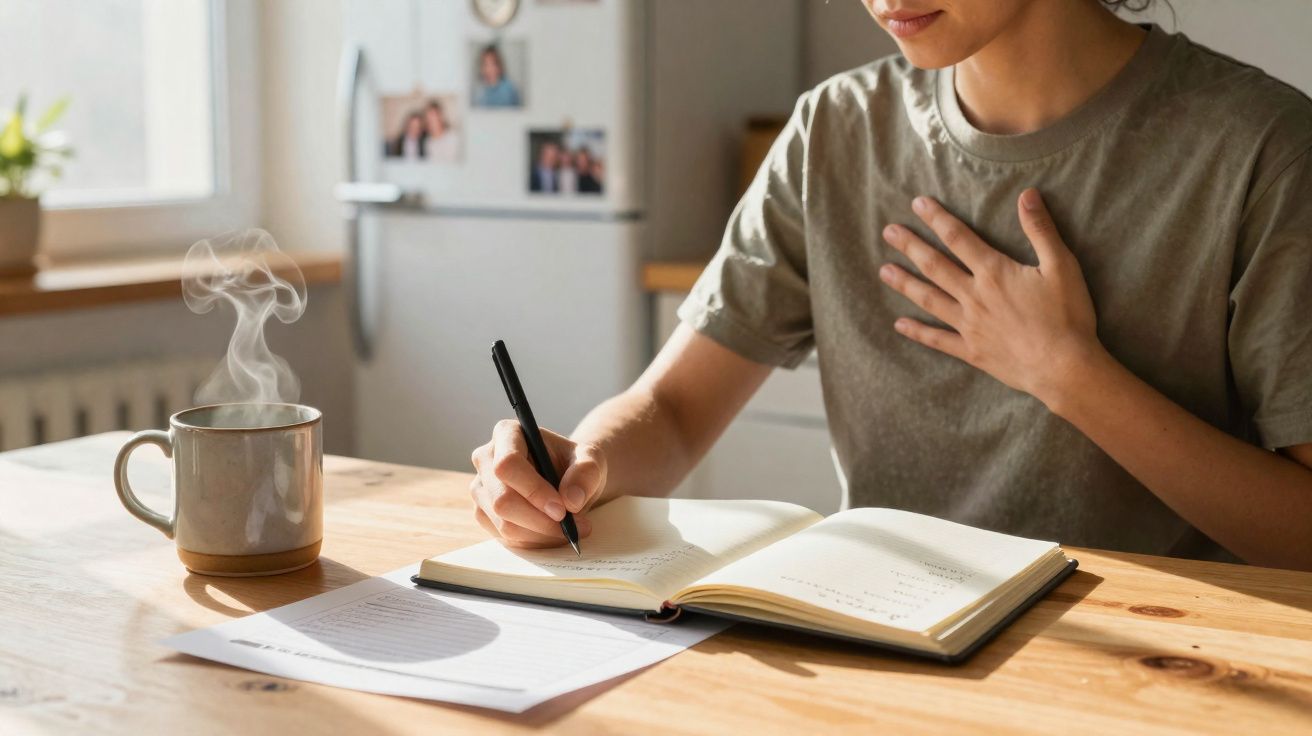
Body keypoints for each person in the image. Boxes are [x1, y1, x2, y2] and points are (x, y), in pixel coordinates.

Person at [469, 0, 1312, 570]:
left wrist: (1069, 375)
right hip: (892, 666)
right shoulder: (833, 131)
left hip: (1159, 676)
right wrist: (585, 466)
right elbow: (678, 409)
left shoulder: (1263, 150)